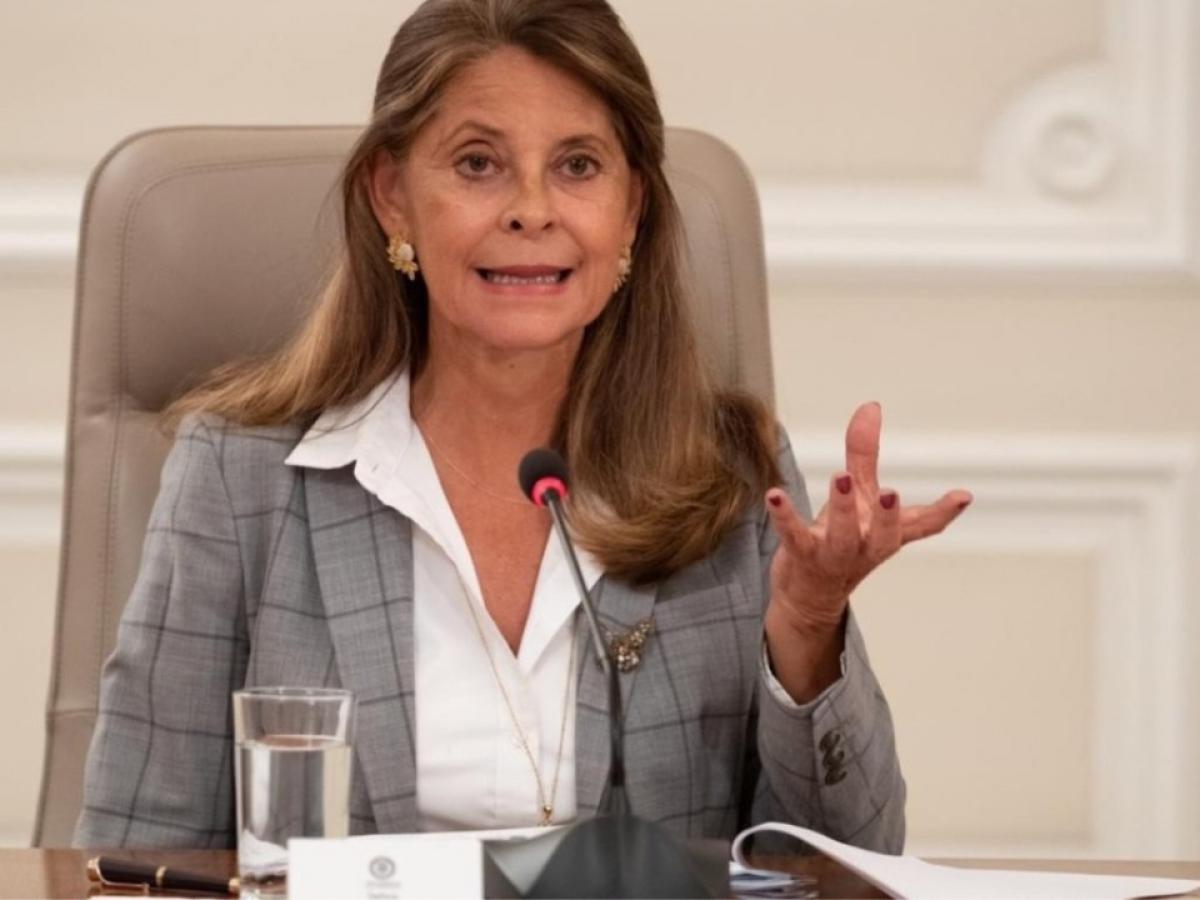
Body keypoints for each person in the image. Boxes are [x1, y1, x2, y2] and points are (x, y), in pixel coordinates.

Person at [74, 0, 970, 850]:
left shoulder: (728, 475)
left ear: (632, 209)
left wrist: (808, 628)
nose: (532, 210)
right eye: (478, 164)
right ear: (392, 195)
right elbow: (132, 860)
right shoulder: (240, 480)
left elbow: (841, 865)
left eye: (577, 166)